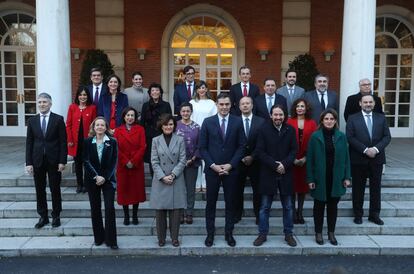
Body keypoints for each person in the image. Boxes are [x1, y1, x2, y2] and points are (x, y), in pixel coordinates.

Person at [199, 92, 246, 247]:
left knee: (230, 203)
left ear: (230, 105)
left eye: (227, 104)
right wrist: (213, 165)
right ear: (217, 105)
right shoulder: (207, 122)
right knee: (210, 203)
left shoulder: (237, 122)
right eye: (221, 104)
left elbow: (241, 147)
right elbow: (202, 148)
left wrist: (230, 165)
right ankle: (210, 234)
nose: (224, 107)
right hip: (212, 170)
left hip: (231, 170)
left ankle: (229, 234)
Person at [253, 105, 297, 247]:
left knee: (289, 207)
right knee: (265, 207)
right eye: (275, 115)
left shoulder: (290, 130)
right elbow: (260, 151)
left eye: (281, 115)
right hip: (268, 173)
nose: (278, 117)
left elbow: (294, 150)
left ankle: (288, 234)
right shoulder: (263, 130)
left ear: (285, 116)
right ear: (271, 115)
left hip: (286, 172)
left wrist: (284, 164)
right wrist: (275, 165)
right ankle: (262, 234)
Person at [307, 109, 351, 246]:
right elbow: (310, 159)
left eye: (332, 119)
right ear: (322, 120)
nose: (329, 121)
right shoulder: (315, 136)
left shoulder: (341, 136)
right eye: (326, 119)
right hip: (320, 178)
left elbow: (346, 158)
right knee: (318, 207)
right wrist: (310, 179)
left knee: (333, 207)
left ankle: (331, 232)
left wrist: (347, 177)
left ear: (335, 121)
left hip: (336, 177)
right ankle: (318, 233)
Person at [346, 94, 391, 225]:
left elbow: (387, 137)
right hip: (358, 158)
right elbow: (350, 137)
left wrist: (375, 149)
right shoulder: (352, 118)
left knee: (376, 188)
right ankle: (358, 214)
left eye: (370, 102)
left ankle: (374, 214)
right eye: (365, 102)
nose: (368, 104)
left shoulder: (381, 118)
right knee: (358, 188)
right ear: (360, 103)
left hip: (377, 159)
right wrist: (365, 150)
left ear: (374, 104)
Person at [25, 93, 67, 229]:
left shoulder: (58, 119)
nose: (42, 104)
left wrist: (62, 161)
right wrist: (29, 163)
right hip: (37, 161)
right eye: (39, 102)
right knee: (39, 189)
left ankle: (56, 216)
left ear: (50, 104)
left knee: (55, 188)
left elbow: (63, 142)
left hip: (54, 160)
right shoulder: (32, 121)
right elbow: (29, 143)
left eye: (44, 102)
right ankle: (43, 216)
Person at [150, 113, 187, 247]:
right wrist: (163, 176)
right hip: (160, 180)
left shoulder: (180, 140)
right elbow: (154, 161)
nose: (168, 127)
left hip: (175, 179)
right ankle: (161, 238)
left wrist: (172, 175)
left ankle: (174, 238)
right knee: (160, 212)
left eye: (171, 124)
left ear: (174, 125)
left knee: (176, 211)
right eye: (166, 124)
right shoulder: (155, 140)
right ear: (161, 126)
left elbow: (183, 160)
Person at [83, 117, 118, 249]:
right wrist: (96, 176)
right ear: (93, 127)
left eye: (102, 125)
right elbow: (85, 161)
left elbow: (114, 161)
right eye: (97, 125)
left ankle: (111, 240)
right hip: (92, 180)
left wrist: (104, 177)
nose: (99, 127)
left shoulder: (112, 142)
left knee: (109, 208)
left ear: (106, 127)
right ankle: (98, 238)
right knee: (95, 209)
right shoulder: (87, 142)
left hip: (108, 180)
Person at [234, 96, 264, 225]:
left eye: (248, 103)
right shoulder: (233, 121)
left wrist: (252, 156)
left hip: (256, 161)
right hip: (238, 162)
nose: (245, 106)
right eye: (243, 104)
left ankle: (258, 214)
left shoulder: (261, 122)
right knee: (237, 190)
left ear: (252, 105)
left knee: (258, 190)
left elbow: (263, 143)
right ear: (239, 106)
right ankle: (237, 214)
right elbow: (232, 143)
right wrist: (240, 157)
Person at [114, 107, 146, 226]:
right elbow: (116, 147)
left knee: (136, 191)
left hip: (136, 164)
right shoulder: (118, 130)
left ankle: (135, 215)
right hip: (123, 165)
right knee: (124, 190)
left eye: (132, 115)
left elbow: (143, 146)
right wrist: (126, 161)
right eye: (128, 115)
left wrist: (133, 161)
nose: (130, 118)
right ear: (124, 117)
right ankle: (126, 215)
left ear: (135, 117)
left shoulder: (140, 129)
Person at [287, 99, 317, 224]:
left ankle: (300, 212)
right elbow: (285, 142)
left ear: (306, 108)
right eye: (298, 106)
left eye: (302, 106)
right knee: (292, 187)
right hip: (292, 160)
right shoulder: (288, 122)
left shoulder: (312, 123)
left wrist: (305, 158)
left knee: (303, 189)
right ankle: (293, 212)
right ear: (294, 108)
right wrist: (292, 159)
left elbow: (314, 143)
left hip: (306, 160)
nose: (300, 108)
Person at [66, 86, 97, 193]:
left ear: (88, 96)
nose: (83, 97)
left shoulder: (92, 108)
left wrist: (93, 139)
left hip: (88, 141)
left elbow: (94, 125)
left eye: (85, 95)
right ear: (77, 96)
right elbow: (68, 125)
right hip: (75, 142)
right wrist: (69, 139)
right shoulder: (72, 107)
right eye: (81, 95)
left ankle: (87, 184)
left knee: (88, 163)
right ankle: (79, 184)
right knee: (78, 163)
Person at [189, 80, 217, 192]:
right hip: (194, 132)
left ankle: (205, 183)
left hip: (208, 133)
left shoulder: (211, 103)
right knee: (196, 158)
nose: (201, 90)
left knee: (206, 159)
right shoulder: (192, 102)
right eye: (199, 88)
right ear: (196, 90)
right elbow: (188, 116)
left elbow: (214, 118)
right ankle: (197, 183)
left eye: (203, 88)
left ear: (206, 89)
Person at [176, 103, 201, 225]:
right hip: (177, 163)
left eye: (188, 111)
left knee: (190, 189)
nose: (185, 113)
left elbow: (200, 145)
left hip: (192, 162)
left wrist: (192, 159)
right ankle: (180, 213)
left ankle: (189, 213)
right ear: (180, 112)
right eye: (183, 111)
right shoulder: (175, 125)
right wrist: (181, 160)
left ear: (191, 112)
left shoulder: (197, 127)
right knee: (179, 189)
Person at [141, 83, 172, 176]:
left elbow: (170, 121)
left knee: (164, 157)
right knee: (152, 159)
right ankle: (155, 178)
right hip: (149, 137)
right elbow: (142, 122)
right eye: (153, 90)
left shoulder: (166, 105)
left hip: (163, 135)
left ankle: (164, 177)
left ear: (160, 92)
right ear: (150, 93)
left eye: (157, 90)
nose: (155, 92)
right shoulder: (145, 105)